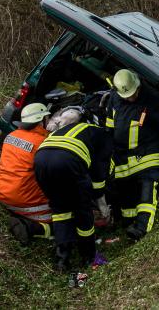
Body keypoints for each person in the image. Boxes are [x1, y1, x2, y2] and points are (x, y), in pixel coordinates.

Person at [105, 69, 159, 241]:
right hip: (121, 155)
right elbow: (110, 125)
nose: (130, 99)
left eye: (133, 95)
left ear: (138, 86)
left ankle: (141, 228)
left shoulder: (153, 100)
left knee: (147, 190)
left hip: (147, 152)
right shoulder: (115, 98)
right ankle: (128, 220)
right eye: (126, 96)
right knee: (126, 192)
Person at [34, 113, 112, 271]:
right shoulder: (104, 138)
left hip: (40, 160)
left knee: (60, 209)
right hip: (67, 160)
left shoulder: (79, 129)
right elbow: (98, 175)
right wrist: (102, 205)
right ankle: (89, 257)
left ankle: (62, 259)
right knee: (82, 212)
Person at [0, 103, 52, 244]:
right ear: (41, 120)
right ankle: (30, 228)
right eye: (47, 118)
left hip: (3, 194)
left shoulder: (11, 136)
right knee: (65, 222)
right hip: (27, 203)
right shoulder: (43, 143)